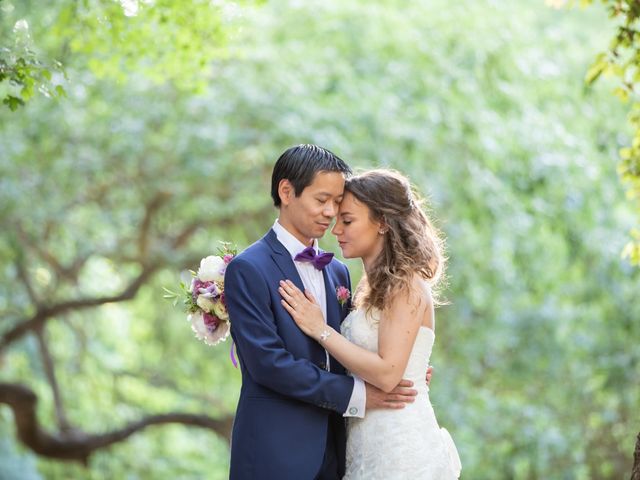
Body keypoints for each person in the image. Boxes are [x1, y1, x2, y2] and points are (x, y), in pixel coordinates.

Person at [224, 145, 426, 480]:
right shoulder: (249, 269)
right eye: (322, 200)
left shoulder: (338, 274)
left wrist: (404, 366)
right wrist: (360, 394)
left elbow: (342, 352)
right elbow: (269, 365)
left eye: (337, 202)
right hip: (274, 455)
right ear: (286, 191)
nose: (331, 212)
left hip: (338, 454)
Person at [279, 169, 462, 479]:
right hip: (365, 438)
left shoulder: (405, 286)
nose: (336, 230)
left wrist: (320, 329)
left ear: (382, 223)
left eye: (348, 220)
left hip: (398, 445)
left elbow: (389, 374)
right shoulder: (366, 288)